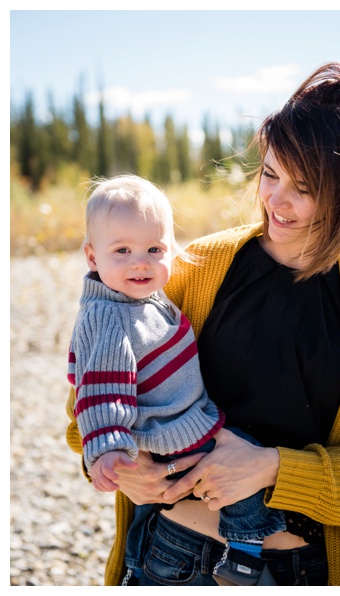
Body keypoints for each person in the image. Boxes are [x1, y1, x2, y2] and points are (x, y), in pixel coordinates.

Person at [66, 62, 340, 586]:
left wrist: (275, 467)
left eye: (303, 187)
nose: (275, 201)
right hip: (169, 556)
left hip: (303, 570)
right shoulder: (194, 268)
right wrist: (123, 470)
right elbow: (90, 396)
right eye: (269, 174)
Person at [68, 175, 289, 586]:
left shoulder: (144, 298)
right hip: (166, 434)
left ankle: (237, 553)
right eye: (122, 250)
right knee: (238, 475)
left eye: (155, 249)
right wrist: (106, 451)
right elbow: (99, 390)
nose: (141, 262)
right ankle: (244, 556)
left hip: (186, 420)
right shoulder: (108, 316)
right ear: (92, 257)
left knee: (236, 464)